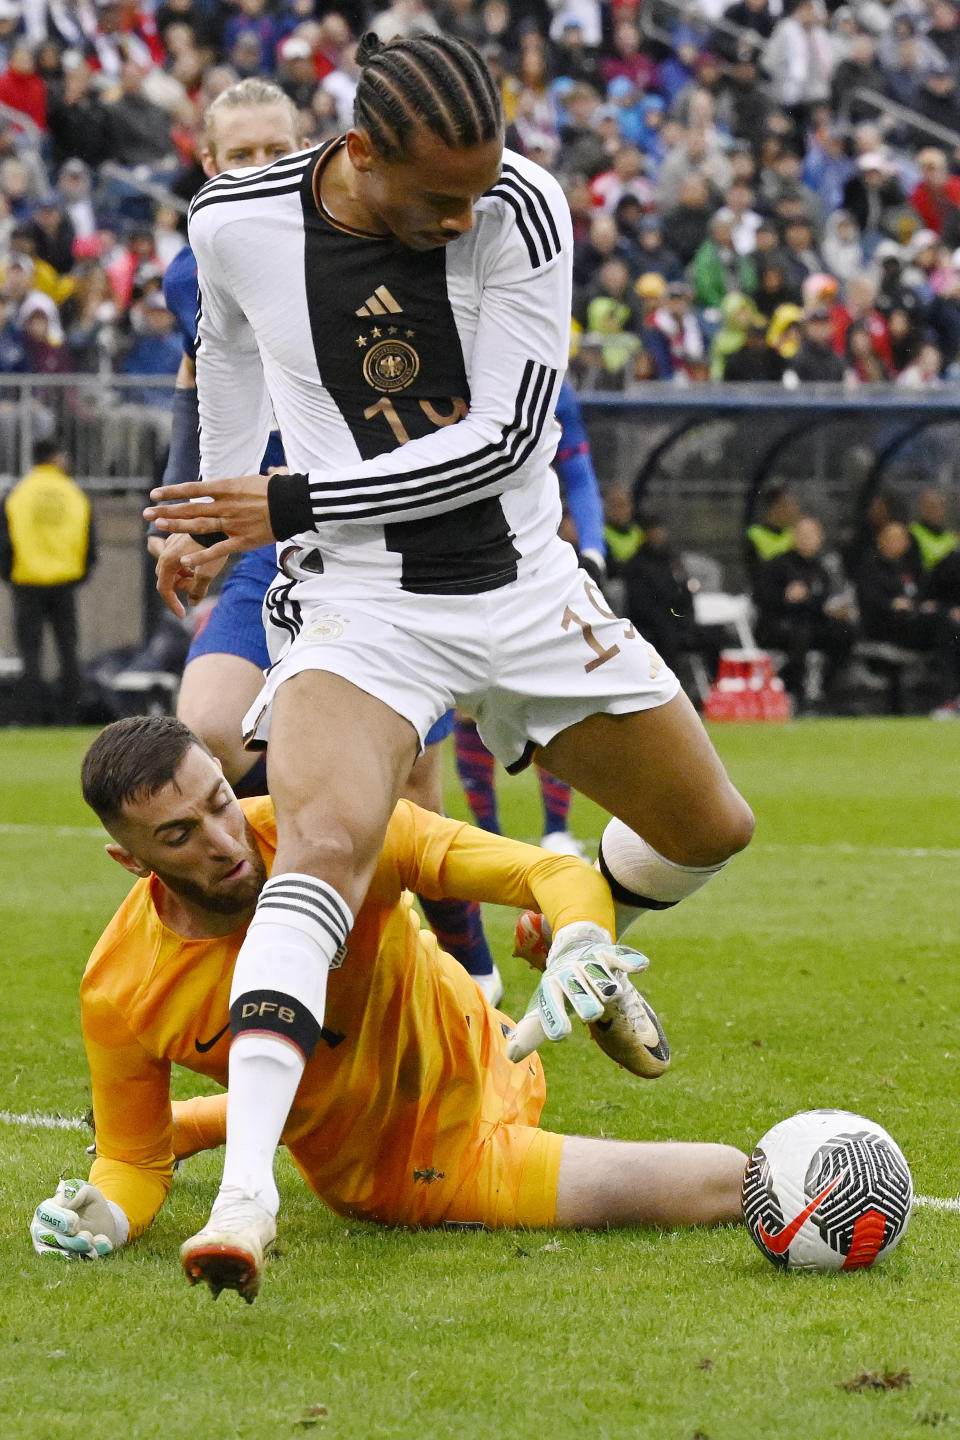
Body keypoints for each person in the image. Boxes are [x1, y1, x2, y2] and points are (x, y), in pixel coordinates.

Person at [144, 32, 754, 1299]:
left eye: (479, 188)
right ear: (360, 155)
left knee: (708, 827)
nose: (466, 215)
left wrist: (287, 497)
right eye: (440, 199)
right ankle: (246, 1194)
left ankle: (558, 918)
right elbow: (242, 360)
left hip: (523, 585)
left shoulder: (524, 207)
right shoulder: (235, 223)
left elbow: (502, 439)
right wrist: (211, 509)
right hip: (360, 605)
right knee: (322, 843)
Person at [29, 717, 746, 1299]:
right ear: (132, 861)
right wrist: (112, 1215)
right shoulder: (121, 988)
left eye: (219, 801)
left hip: (501, 1043)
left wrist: (581, 935)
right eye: (180, 836)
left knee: (562, 913)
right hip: (431, 1163)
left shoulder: (333, 835)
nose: (224, 842)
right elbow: (130, 1160)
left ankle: (573, 958)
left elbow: (546, 868)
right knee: (723, 1180)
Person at [155, 77, 501, 998]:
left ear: (323, 148)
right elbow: (197, 387)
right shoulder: (207, 255)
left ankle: (466, 969)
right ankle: (276, 956)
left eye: (279, 149)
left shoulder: (390, 236)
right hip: (261, 544)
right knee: (210, 736)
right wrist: (189, 521)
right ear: (209, 165)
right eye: (241, 156)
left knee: (414, 790)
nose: (261, 169)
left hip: (373, 545)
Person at [0, 437, 96, 724]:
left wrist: (10, 575)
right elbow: (90, 540)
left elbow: (3, 541)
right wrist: (79, 574)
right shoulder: (73, 493)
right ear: (56, 458)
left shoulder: (18, 494)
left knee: (30, 654)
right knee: (68, 650)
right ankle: (70, 716)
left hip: (26, 582)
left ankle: (30, 717)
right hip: (64, 582)